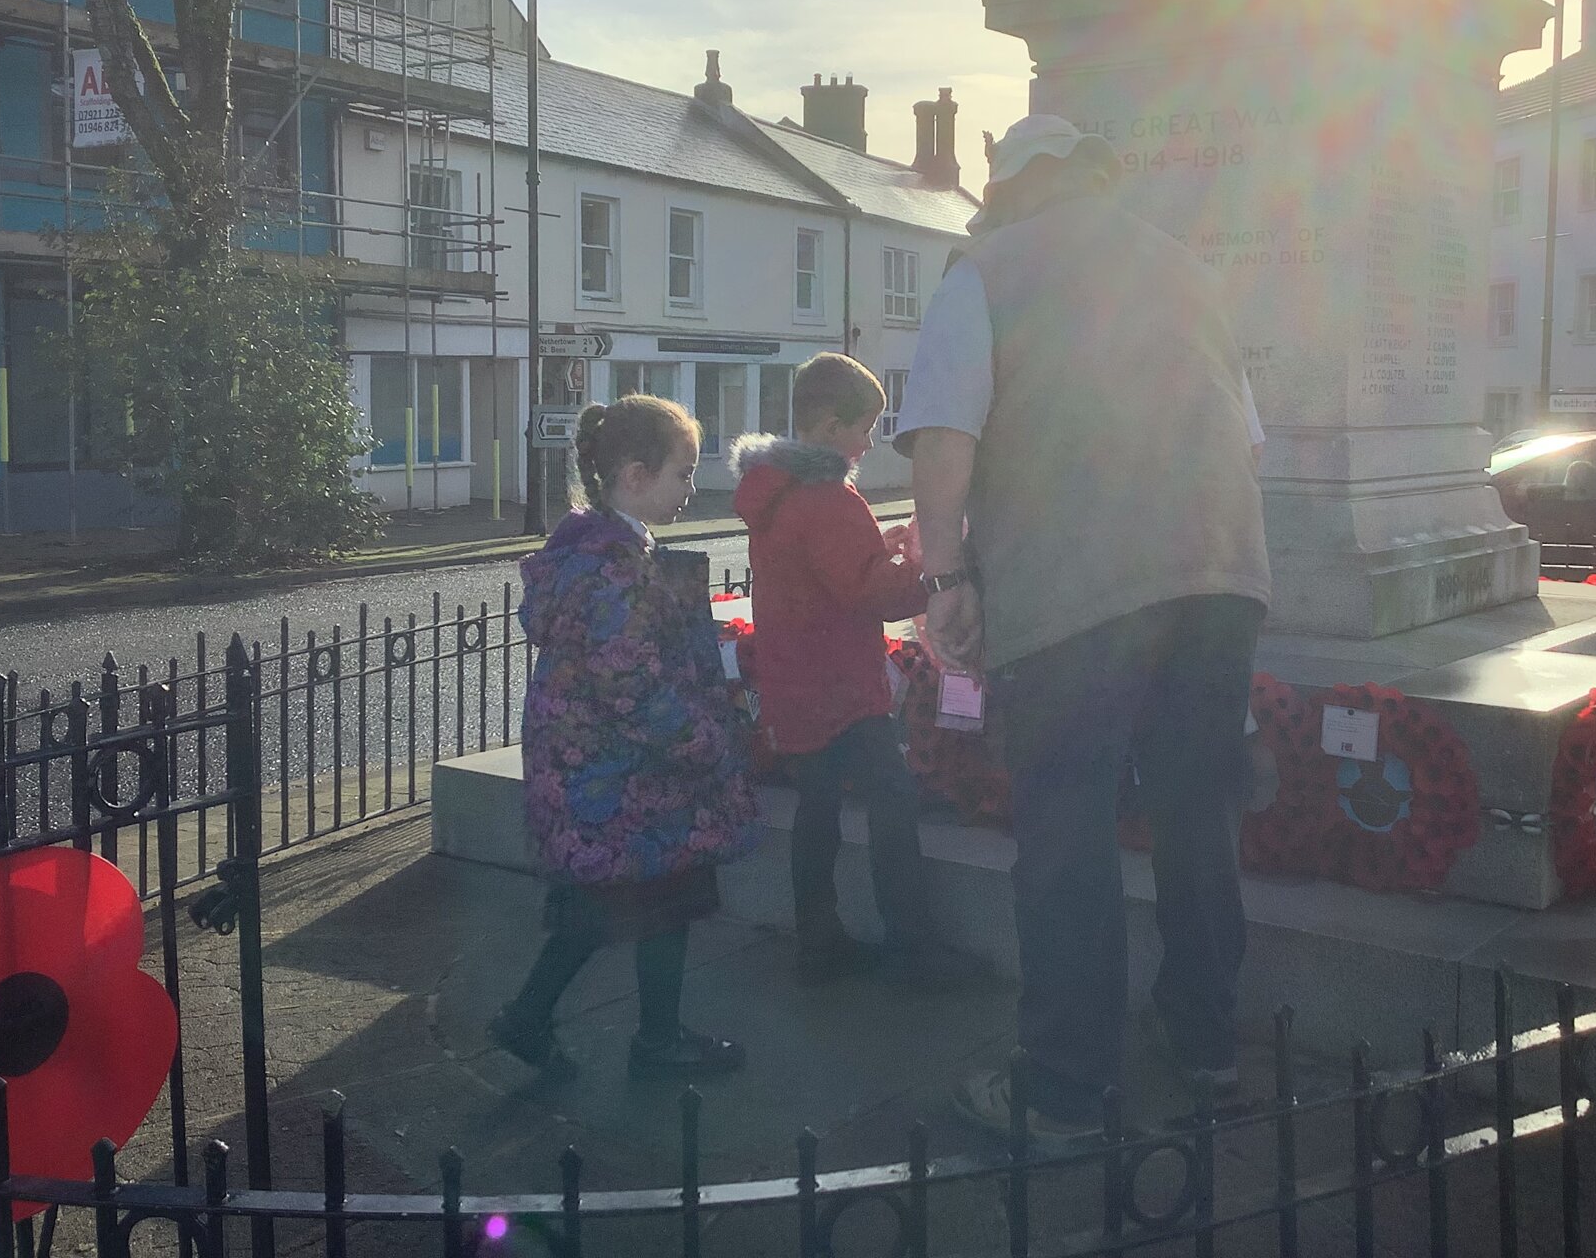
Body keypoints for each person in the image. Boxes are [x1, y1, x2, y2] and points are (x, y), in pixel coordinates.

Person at [896, 114, 1272, 1149]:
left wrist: (946, 578)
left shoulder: (989, 270)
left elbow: (942, 437)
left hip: (1076, 597)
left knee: (1066, 835)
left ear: (1013, 187)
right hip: (1218, 579)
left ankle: (1064, 1087)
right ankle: (1204, 1047)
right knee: (1200, 821)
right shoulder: (1193, 277)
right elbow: (1245, 439)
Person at [488, 395, 760, 1082]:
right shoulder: (613, 569)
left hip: (606, 773)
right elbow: (635, 686)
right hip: (626, 776)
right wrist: (708, 740)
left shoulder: (599, 552)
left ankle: (619, 1029)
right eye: (683, 472)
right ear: (636, 475)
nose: (692, 488)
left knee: (640, 903)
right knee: (628, 905)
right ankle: (620, 1033)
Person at [731, 355, 980, 986]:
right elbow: (871, 595)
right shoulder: (826, 497)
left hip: (796, 680)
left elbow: (832, 573)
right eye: (863, 427)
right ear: (825, 425)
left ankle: (818, 940)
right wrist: (932, 576)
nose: (869, 441)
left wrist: (879, 551)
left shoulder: (777, 491)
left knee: (817, 811)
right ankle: (912, 947)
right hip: (844, 686)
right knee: (893, 800)